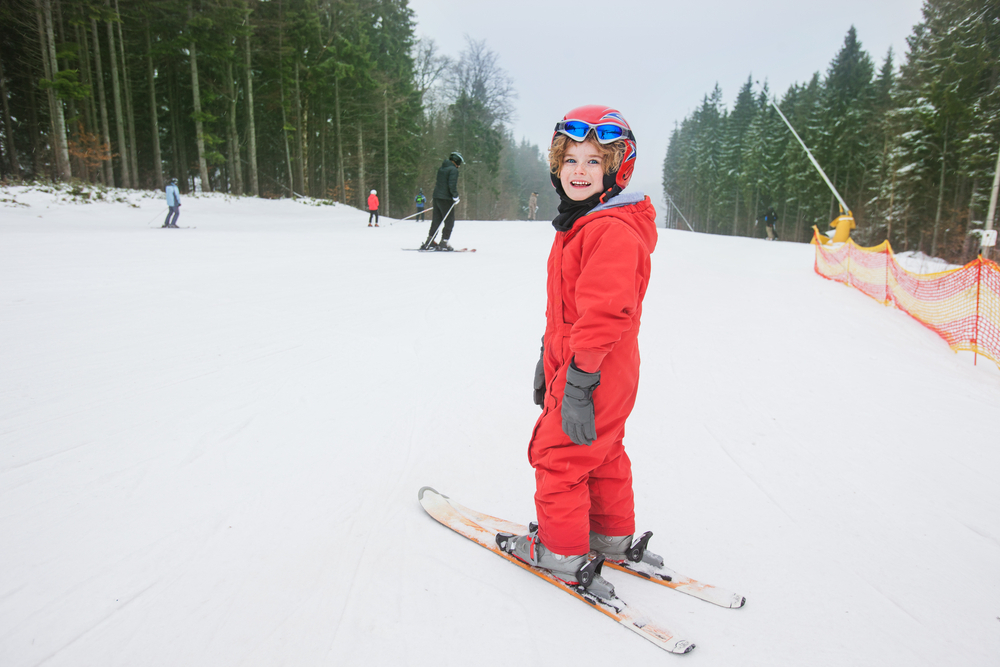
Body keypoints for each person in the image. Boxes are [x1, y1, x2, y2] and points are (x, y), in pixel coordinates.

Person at [496, 105, 659, 600]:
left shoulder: (607, 229)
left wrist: (580, 381)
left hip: (595, 367)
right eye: (570, 160)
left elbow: (605, 313)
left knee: (560, 454)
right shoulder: (585, 222)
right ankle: (608, 537)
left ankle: (561, 553)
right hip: (599, 365)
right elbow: (568, 312)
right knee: (602, 450)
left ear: (616, 169)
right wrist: (547, 357)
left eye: (594, 161)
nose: (580, 171)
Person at [421, 151, 463, 251]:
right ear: (456, 161)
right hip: (446, 198)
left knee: (436, 220)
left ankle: (430, 240)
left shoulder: (442, 168)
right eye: (459, 163)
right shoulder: (453, 170)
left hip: (436, 197)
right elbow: (451, 185)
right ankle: (444, 241)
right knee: (449, 221)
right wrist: (455, 196)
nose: (459, 166)